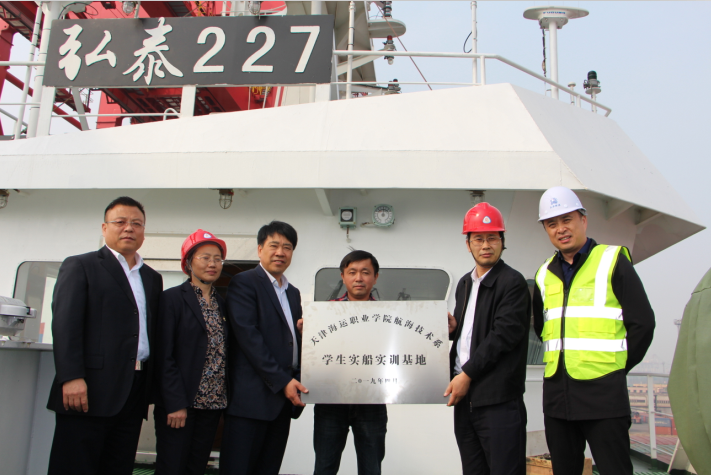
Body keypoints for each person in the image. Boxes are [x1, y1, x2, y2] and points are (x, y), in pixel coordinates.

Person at [533, 186, 655, 475]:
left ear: (583, 220)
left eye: (567, 220)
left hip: (604, 397)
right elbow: (542, 328)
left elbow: (643, 323)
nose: (561, 229)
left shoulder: (613, 261)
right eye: (552, 223)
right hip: (558, 399)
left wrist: (616, 368)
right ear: (546, 230)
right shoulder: (543, 274)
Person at [46, 196, 163, 475]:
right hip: (88, 389)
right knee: (75, 465)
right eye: (120, 222)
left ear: (143, 231)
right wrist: (71, 377)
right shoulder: (81, 265)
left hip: (134, 391)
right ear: (104, 227)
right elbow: (65, 325)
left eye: (136, 223)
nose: (129, 228)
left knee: (118, 466)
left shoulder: (151, 277)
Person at [444, 202, 530, 475]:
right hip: (465, 401)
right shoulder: (465, 283)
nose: (485, 245)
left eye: (492, 238)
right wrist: (454, 328)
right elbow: (473, 330)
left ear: (502, 242)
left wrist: (466, 375)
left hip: (498, 402)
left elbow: (502, 336)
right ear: (468, 244)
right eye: (478, 239)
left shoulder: (512, 282)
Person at [220, 221, 307, 475]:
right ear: (260, 249)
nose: (281, 252)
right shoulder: (244, 282)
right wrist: (283, 381)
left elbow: (290, 340)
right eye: (274, 246)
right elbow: (249, 338)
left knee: (268, 468)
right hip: (251, 401)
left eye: (287, 247)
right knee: (239, 468)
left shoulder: (292, 292)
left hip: (282, 402)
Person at [154, 230, 228, 475]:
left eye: (217, 259)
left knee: (196, 467)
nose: (212, 264)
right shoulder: (171, 299)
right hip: (181, 405)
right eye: (205, 257)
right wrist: (175, 403)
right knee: (172, 466)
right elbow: (164, 355)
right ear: (188, 263)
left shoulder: (222, 304)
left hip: (212, 404)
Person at [312, 250, 388, 475]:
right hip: (330, 401)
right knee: (324, 467)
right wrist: (304, 333)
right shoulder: (324, 313)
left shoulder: (390, 315)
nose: (359, 278)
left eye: (365, 272)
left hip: (372, 400)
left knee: (371, 468)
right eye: (352, 272)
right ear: (343, 276)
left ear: (375, 277)